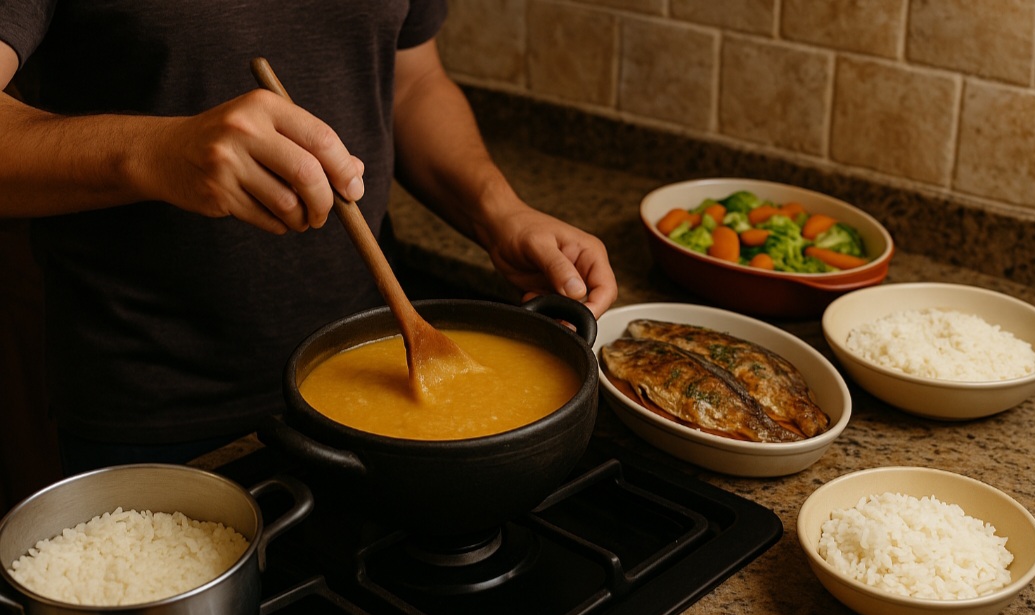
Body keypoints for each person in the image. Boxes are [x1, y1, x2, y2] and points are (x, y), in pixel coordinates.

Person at [0, 1, 618, 476]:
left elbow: (412, 80)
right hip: (161, 417)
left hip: (377, 377)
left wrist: (498, 210)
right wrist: (156, 152)